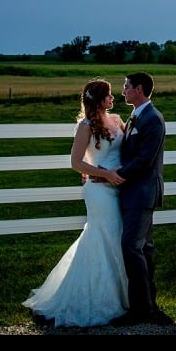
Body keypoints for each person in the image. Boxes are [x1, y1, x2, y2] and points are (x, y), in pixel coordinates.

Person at [22, 78, 129, 327]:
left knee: (117, 236)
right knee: (102, 236)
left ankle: (125, 296)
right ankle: (98, 299)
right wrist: (105, 174)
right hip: (100, 190)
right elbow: (76, 163)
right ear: (99, 99)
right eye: (109, 95)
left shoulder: (116, 120)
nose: (113, 99)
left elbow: (128, 149)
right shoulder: (86, 126)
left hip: (119, 187)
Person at [109, 71, 168, 326]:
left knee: (131, 247)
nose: (123, 91)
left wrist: (115, 175)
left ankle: (141, 309)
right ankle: (149, 305)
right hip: (133, 192)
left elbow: (145, 160)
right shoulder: (136, 117)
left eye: (126, 87)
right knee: (143, 248)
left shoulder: (152, 120)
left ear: (140, 89)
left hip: (142, 192)